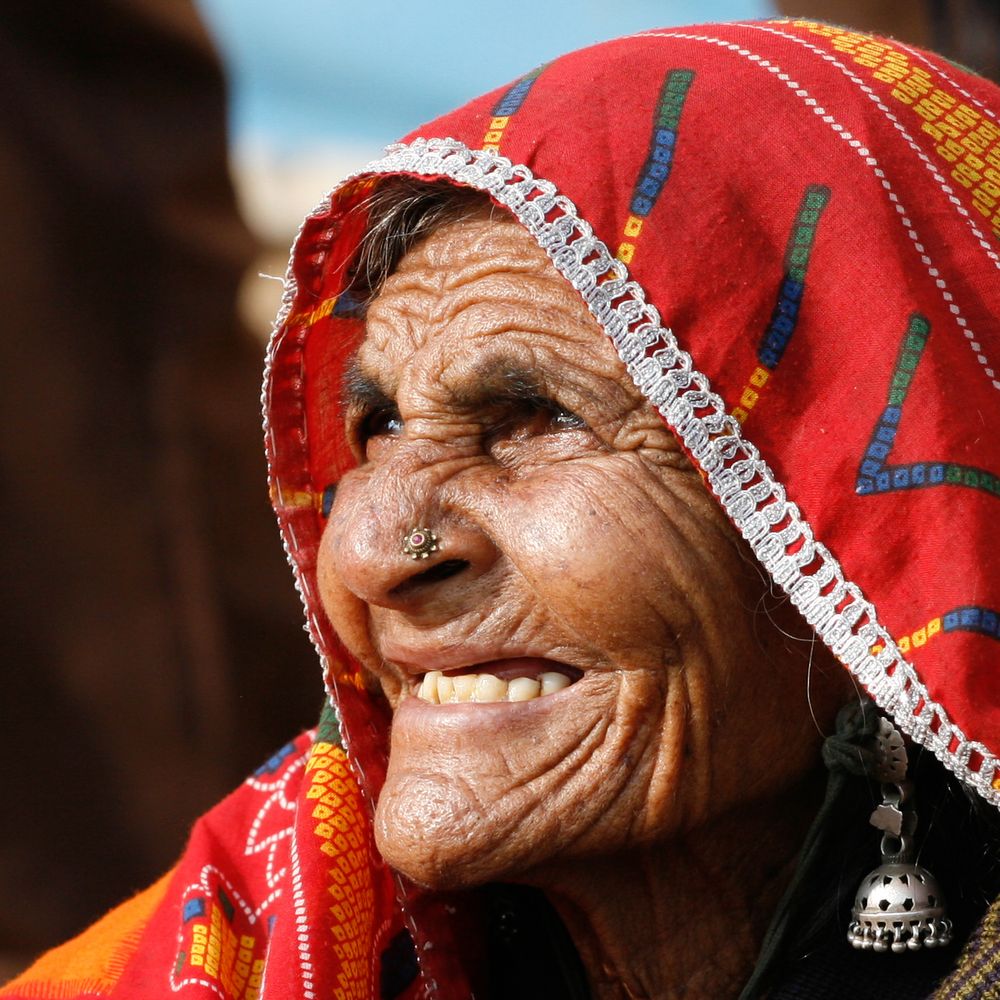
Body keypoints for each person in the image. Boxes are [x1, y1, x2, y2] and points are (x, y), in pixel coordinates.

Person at [3, 17, 999, 1000]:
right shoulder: (241, 946)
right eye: (377, 427)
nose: (371, 554)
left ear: (884, 531)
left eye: (536, 416)